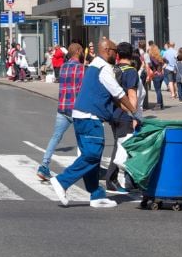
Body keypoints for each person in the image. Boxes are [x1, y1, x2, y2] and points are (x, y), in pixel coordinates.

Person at [49, 38, 137, 209]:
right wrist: (134, 111)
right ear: (107, 50)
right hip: (90, 117)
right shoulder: (104, 68)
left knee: (91, 156)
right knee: (92, 155)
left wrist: (127, 111)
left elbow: (113, 97)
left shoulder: (95, 65)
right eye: (114, 51)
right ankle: (62, 181)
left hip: (81, 115)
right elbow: (118, 93)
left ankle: (96, 194)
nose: (116, 55)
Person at [37, 42, 85, 181]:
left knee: (55, 137)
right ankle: (84, 168)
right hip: (76, 109)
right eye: (81, 51)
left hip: (62, 107)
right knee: (82, 140)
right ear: (77, 51)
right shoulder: (81, 69)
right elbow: (80, 90)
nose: (82, 53)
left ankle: (44, 165)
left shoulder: (64, 67)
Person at [104, 42, 142, 194]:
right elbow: (132, 95)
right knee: (123, 146)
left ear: (118, 54)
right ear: (131, 55)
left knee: (118, 145)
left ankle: (118, 179)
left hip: (113, 112)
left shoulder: (113, 69)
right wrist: (134, 114)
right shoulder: (131, 71)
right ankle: (112, 180)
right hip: (125, 114)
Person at [146, 43, 165, 109]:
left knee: (158, 90)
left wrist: (154, 70)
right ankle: (161, 104)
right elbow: (164, 62)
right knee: (159, 90)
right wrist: (160, 70)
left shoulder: (152, 57)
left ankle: (159, 104)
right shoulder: (159, 57)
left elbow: (151, 65)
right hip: (161, 75)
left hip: (156, 75)